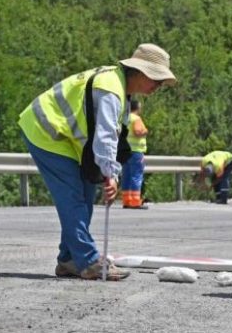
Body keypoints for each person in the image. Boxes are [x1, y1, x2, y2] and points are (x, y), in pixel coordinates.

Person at [18, 43, 176, 280]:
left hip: (66, 139)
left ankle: (69, 259)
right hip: (46, 131)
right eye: (157, 79)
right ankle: (89, 261)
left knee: (85, 193)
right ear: (142, 73)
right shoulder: (112, 90)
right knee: (73, 197)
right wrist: (110, 174)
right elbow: (106, 137)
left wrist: (107, 172)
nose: (159, 85)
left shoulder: (120, 87)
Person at [121, 99, 149, 209]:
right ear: (137, 108)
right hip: (136, 151)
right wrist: (145, 131)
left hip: (125, 151)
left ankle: (127, 201)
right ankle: (135, 201)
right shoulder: (136, 119)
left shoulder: (125, 118)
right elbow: (137, 132)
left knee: (126, 176)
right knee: (136, 176)